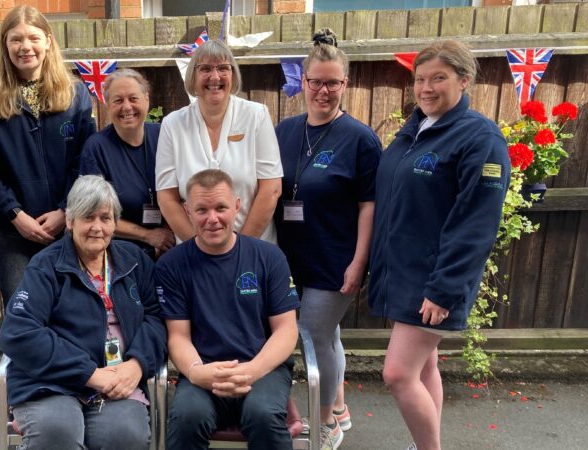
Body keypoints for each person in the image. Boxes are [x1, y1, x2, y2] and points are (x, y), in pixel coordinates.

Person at [369, 40, 510, 450]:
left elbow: (477, 223)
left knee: (398, 374)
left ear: (464, 81)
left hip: (432, 279)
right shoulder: (413, 131)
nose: (426, 88)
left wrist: (444, 288)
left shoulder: (480, 138)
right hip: (400, 273)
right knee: (425, 364)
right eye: (420, 79)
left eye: (439, 78)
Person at [0, 175, 167, 450]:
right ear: (70, 221)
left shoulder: (135, 261)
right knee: (58, 432)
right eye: (88, 217)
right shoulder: (46, 267)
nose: (97, 227)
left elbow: (156, 318)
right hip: (52, 383)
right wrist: (90, 373)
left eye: (106, 218)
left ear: (115, 222)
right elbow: (20, 332)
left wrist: (137, 365)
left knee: (126, 435)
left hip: (117, 379)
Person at [273, 29, 381, 450]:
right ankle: (340, 407)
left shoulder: (360, 139)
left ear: (345, 84)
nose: (323, 90)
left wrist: (359, 263)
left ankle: (324, 423)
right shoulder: (284, 131)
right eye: (315, 81)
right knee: (328, 335)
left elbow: (369, 206)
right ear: (303, 81)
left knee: (314, 332)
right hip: (288, 255)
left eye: (332, 82)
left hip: (335, 258)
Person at [157, 169, 300, 450]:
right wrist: (197, 372)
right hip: (204, 369)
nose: (212, 219)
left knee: (262, 415)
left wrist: (252, 370)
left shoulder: (269, 257)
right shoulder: (171, 266)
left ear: (236, 205)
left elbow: (286, 330)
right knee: (187, 417)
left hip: (263, 369)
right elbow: (178, 335)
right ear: (187, 211)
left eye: (221, 207)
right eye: (202, 210)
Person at [0, 5, 96, 305]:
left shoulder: (76, 96)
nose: (26, 47)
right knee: (22, 313)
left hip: (68, 229)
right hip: (15, 234)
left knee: (71, 310)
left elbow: (86, 162)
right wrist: (15, 215)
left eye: (34, 38)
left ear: (48, 41)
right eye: (16, 39)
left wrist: (65, 211)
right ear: (5, 45)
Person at [155, 39, 282, 244]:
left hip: (253, 247)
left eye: (223, 68)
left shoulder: (256, 115)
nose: (215, 77)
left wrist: (238, 250)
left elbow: (271, 189)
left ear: (233, 74)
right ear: (193, 76)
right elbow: (167, 199)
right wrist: (200, 249)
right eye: (205, 69)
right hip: (195, 256)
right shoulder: (173, 124)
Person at [80, 69, 175, 259]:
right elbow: (93, 213)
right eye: (118, 100)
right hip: (121, 251)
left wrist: (168, 232)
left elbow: (185, 193)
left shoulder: (165, 135)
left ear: (146, 99)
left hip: (172, 243)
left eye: (133, 98)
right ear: (107, 104)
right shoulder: (96, 148)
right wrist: (149, 236)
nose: (126, 107)